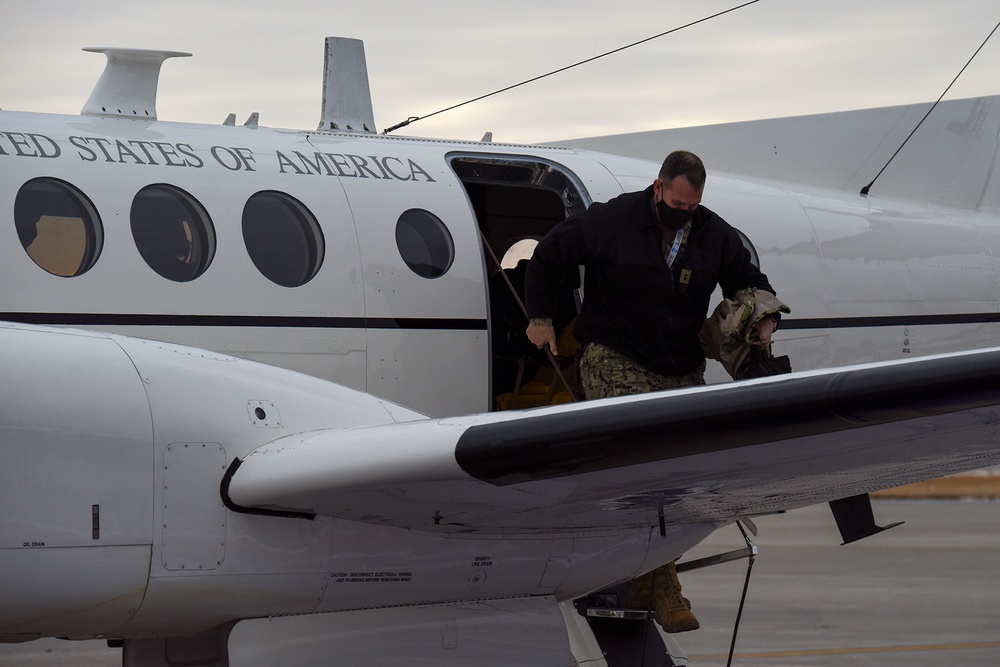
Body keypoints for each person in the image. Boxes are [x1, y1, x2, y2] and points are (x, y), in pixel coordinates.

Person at [523, 150, 779, 633]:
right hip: (615, 354)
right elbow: (548, 255)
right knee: (641, 469)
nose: (684, 215)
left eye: (692, 208)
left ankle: (647, 575)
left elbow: (749, 282)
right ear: (658, 187)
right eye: (677, 205)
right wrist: (540, 318)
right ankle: (664, 586)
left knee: (677, 476)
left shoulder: (711, 232)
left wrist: (763, 318)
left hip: (679, 364)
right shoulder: (611, 220)